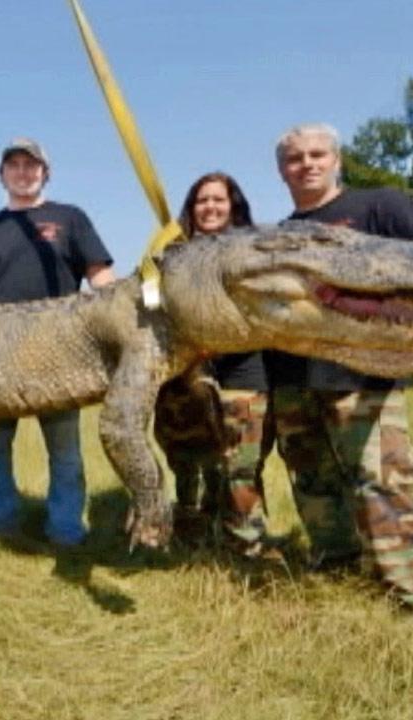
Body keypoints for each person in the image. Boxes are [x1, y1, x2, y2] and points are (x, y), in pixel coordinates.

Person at [268, 123, 413, 613]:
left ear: (336, 161)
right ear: (281, 171)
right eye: (295, 158)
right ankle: (336, 567)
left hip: (363, 374)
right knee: (312, 480)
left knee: (383, 479)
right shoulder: (283, 233)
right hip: (292, 375)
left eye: (317, 155)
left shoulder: (379, 205)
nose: (307, 164)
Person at [0, 138, 116, 547]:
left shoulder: (71, 218)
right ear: (1, 175)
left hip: (60, 355)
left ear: (45, 172)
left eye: (31, 165)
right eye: (14, 165)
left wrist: (122, 314)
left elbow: (101, 279)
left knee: (65, 451)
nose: (23, 172)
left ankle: (66, 530)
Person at [152, 172, 274, 558]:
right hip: (184, 376)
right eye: (202, 200)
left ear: (233, 205)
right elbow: (154, 305)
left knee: (239, 466)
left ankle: (245, 548)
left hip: (243, 371)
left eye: (218, 200)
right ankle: (191, 539)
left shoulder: (254, 250)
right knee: (187, 462)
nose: (210, 207)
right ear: (191, 207)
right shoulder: (171, 253)